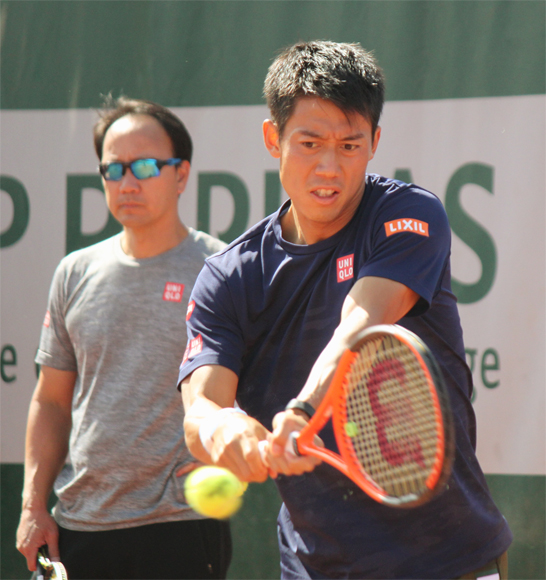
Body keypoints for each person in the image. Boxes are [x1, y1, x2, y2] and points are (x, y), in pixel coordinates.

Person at [179, 41, 513, 579]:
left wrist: (303, 411)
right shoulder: (228, 277)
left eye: (350, 145)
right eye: (309, 143)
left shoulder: (407, 213)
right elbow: (201, 408)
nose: (329, 168)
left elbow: (361, 324)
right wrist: (225, 430)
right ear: (273, 138)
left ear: (375, 142)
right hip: (316, 567)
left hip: (450, 561)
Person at [16, 97, 229, 580]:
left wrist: (231, 456)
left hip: (182, 525)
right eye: (114, 168)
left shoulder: (220, 269)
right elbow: (50, 400)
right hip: (81, 524)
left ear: (181, 175)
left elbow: (262, 378)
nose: (128, 182)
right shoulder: (74, 272)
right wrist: (33, 506)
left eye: (147, 166)